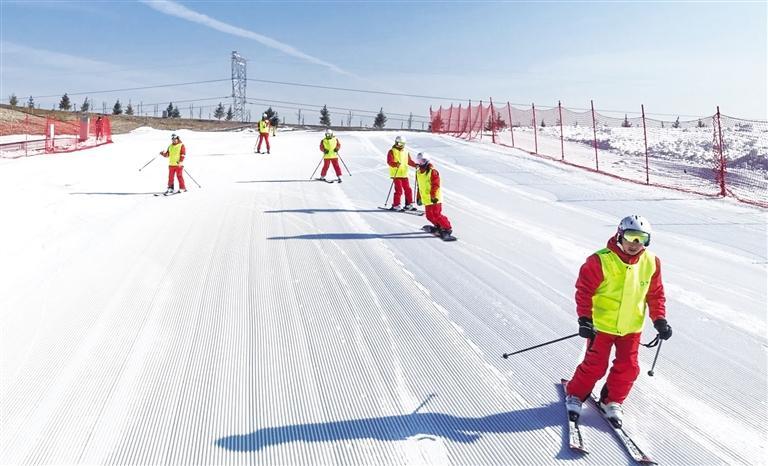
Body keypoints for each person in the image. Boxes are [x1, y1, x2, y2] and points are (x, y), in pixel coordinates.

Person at [564, 215, 671, 428]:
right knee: (595, 365)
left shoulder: (651, 262)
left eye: (642, 239)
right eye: (631, 236)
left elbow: (655, 294)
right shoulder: (600, 260)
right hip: (601, 326)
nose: (635, 244)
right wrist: (585, 319)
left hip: (631, 327)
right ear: (620, 235)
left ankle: (612, 400)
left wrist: (659, 319)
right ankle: (575, 394)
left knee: (629, 367)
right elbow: (584, 291)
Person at [414, 152, 453, 239]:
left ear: (427, 161)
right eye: (419, 161)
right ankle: (438, 226)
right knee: (429, 216)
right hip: (426, 199)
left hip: (435, 198)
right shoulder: (418, 172)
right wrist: (419, 197)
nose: (420, 163)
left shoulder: (432, 172)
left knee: (436, 214)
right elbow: (420, 186)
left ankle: (447, 228)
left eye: (423, 161)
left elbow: (435, 185)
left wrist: (433, 195)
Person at [386, 135, 416, 211]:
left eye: (403, 144)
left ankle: (408, 204)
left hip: (404, 174)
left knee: (408, 189)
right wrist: (395, 164)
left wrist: (415, 165)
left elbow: (409, 161)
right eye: (399, 144)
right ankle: (396, 205)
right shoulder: (392, 151)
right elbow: (389, 161)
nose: (401, 146)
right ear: (396, 143)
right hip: (396, 174)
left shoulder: (406, 152)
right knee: (399, 190)